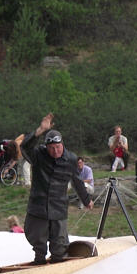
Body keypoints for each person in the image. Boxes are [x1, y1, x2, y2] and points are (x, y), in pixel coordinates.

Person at [20, 113, 93, 264]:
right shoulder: (38, 155)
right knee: (38, 243)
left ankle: (57, 264)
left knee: (59, 246)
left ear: (63, 144)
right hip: (38, 206)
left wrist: (86, 200)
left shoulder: (71, 159)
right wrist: (40, 130)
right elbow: (25, 147)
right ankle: (38, 262)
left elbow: (77, 182)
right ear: (46, 147)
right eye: (51, 148)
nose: (55, 151)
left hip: (58, 207)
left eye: (58, 147)